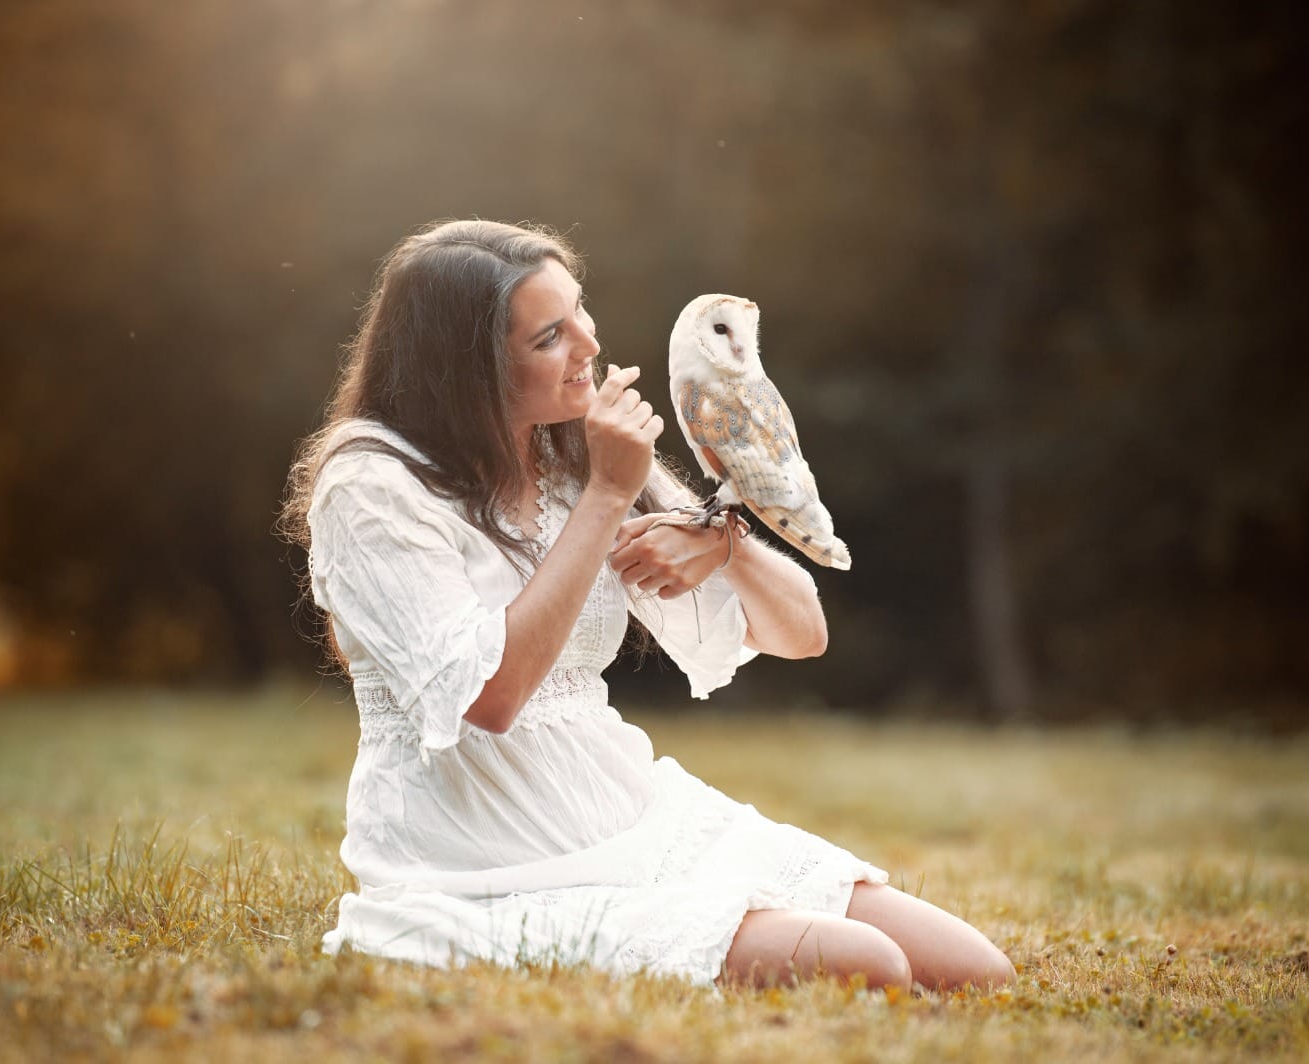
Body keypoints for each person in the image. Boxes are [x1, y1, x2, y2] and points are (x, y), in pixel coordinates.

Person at [279, 219, 1014, 992]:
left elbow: (804, 632)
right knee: (873, 966)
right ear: (467, 370)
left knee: (975, 971)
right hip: (486, 854)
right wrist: (606, 497)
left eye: (580, 312)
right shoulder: (372, 490)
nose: (588, 348)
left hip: (627, 809)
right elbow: (488, 698)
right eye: (550, 337)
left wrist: (726, 545)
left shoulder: (565, 455)